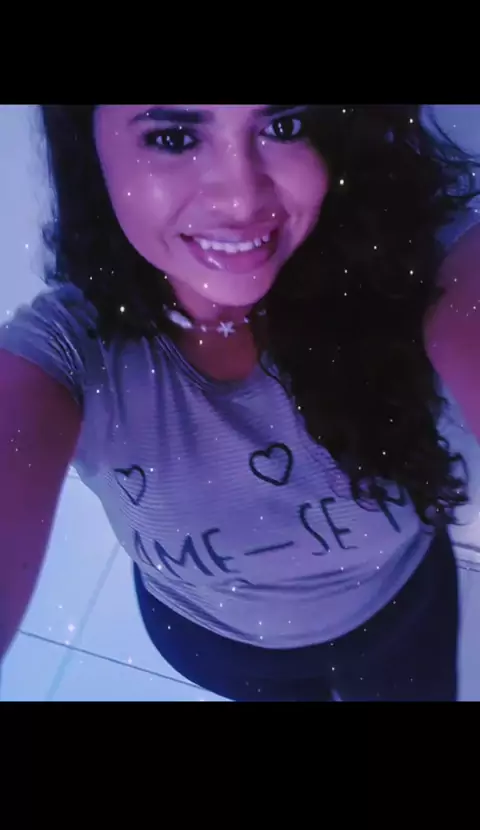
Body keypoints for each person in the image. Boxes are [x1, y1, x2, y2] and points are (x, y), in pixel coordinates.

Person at [0, 104, 479, 702]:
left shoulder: (410, 260)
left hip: (402, 616)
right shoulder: (65, 352)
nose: (240, 198)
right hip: (216, 644)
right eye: (173, 137)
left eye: (284, 126)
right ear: (89, 146)